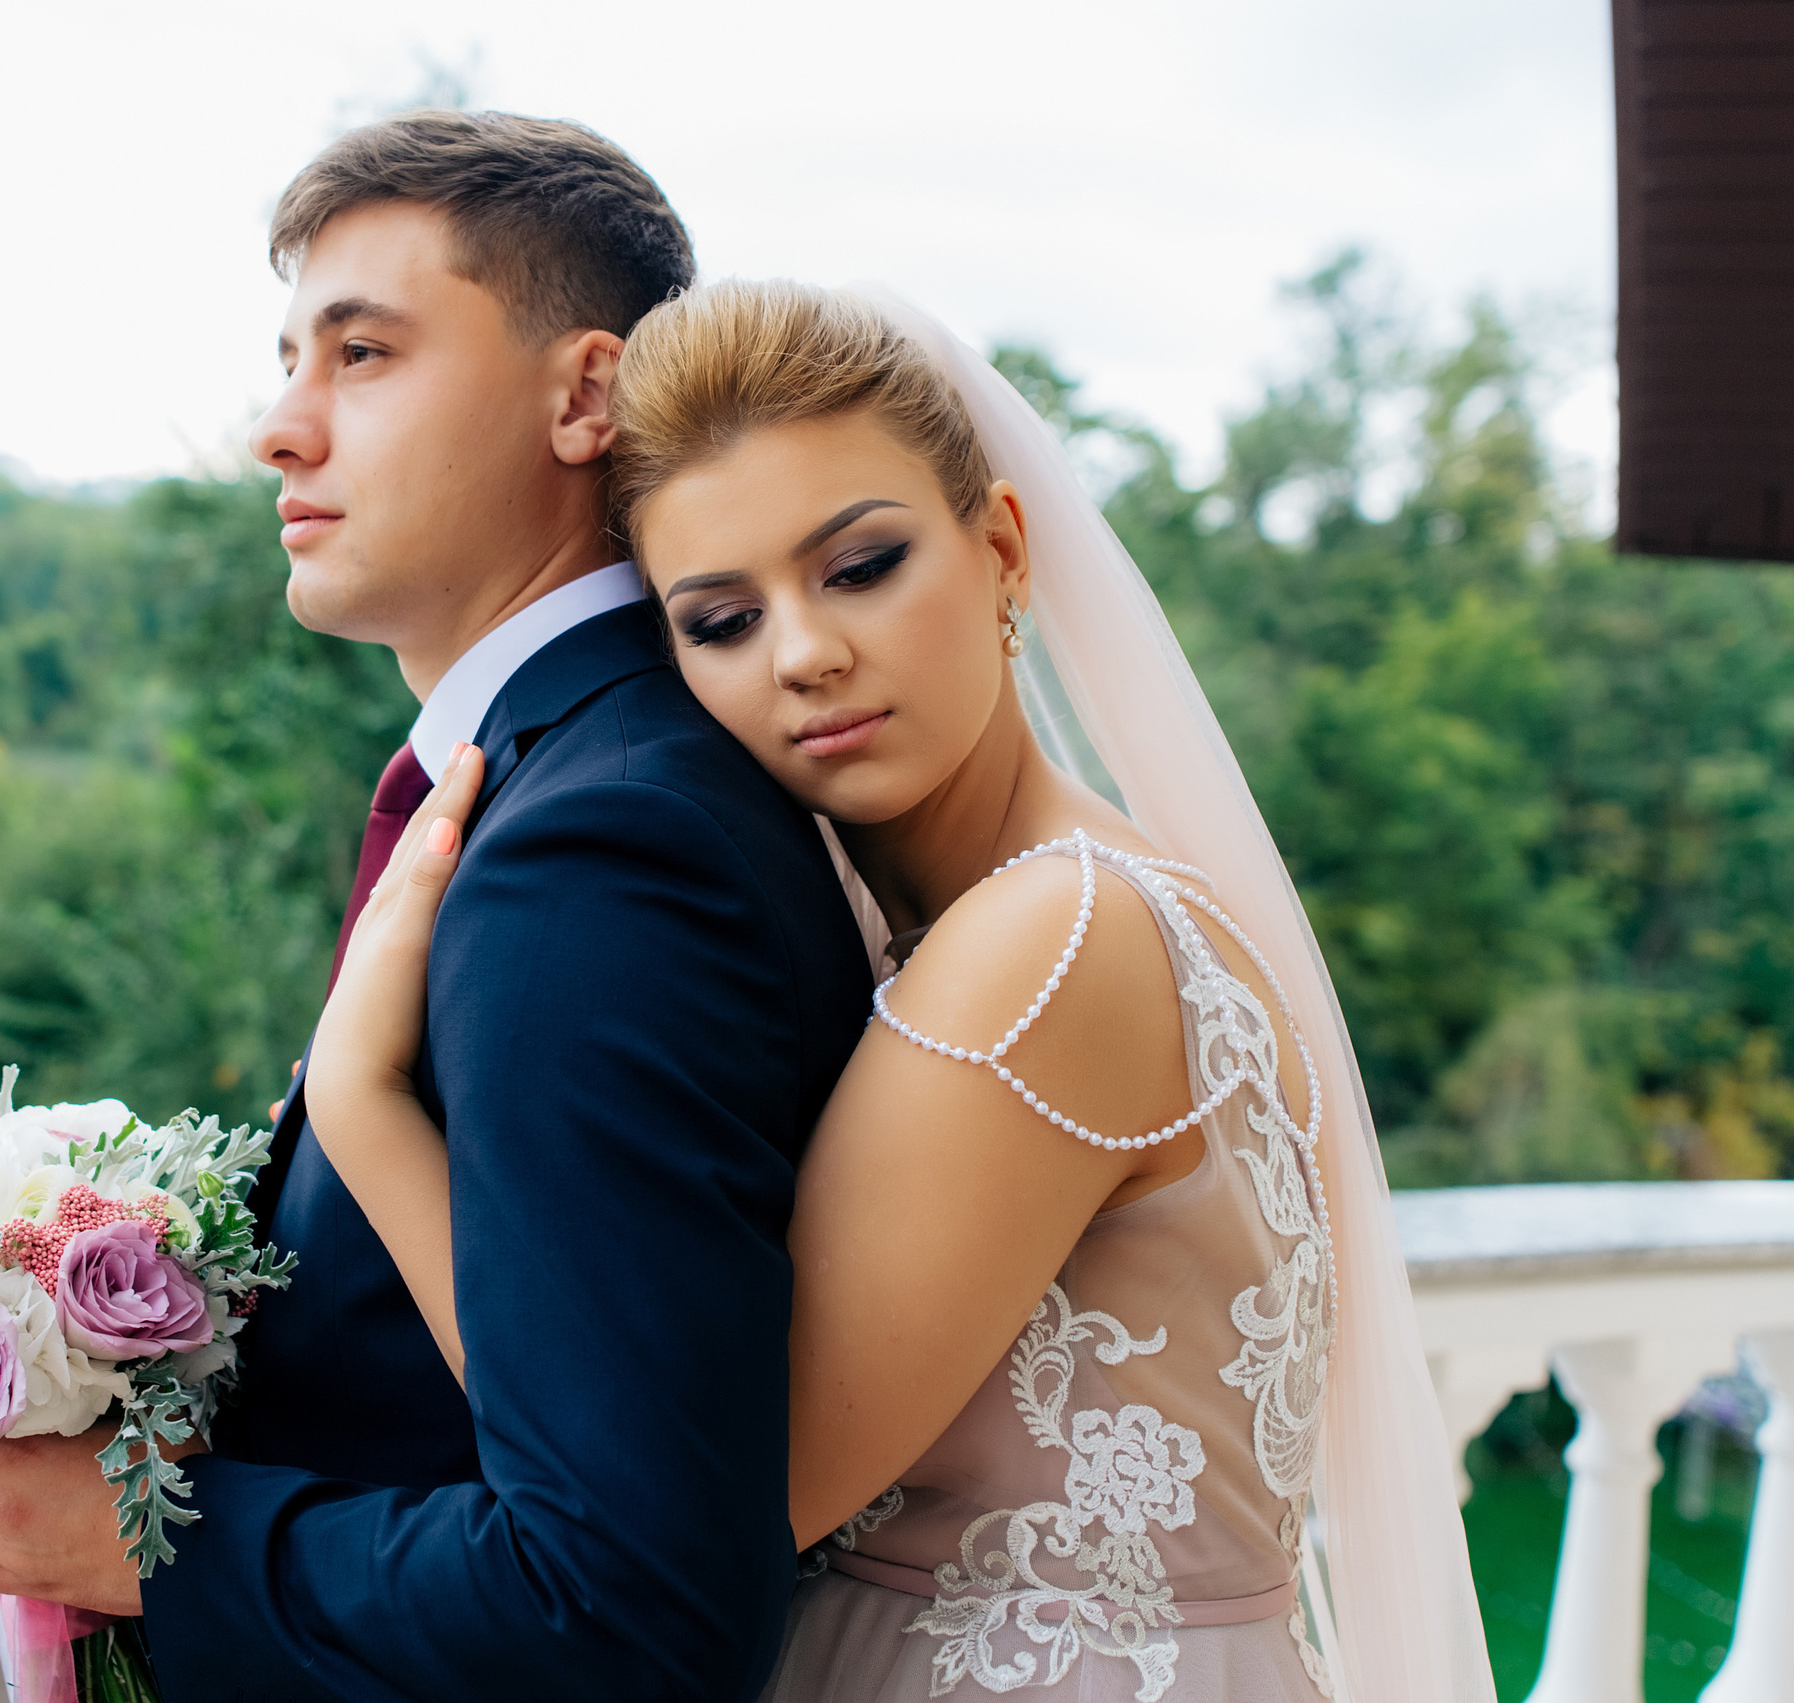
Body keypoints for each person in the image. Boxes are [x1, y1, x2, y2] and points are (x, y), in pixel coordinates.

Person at [307, 281, 1495, 1701]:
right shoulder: (1054, 906)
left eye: (859, 566)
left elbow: (733, 1498)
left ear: (1000, 550)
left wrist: (365, 1113)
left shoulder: (1049, 945)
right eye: (722, 619)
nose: (803, 656)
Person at [0, 115, 873, 1701]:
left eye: (362, 354)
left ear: (586, 397)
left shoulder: (607, 849)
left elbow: (634, 1604)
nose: (278, 433)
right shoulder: (548, 782)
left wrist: (150, 1538)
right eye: (288, 359)